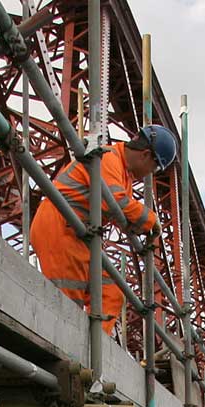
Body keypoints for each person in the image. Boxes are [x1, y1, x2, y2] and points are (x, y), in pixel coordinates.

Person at [30, 125, 178, 335]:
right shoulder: (108, 158)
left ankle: (97, 344)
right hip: (61, 225)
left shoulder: (122, 171)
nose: (149, 175)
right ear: (146, 155)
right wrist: (150, 220)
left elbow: (120, 211)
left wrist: (138, 223)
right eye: (154, 170)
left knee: (112, 290)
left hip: (78, 232)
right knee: (67, 297)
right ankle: (62, 344)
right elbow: (115, 202)